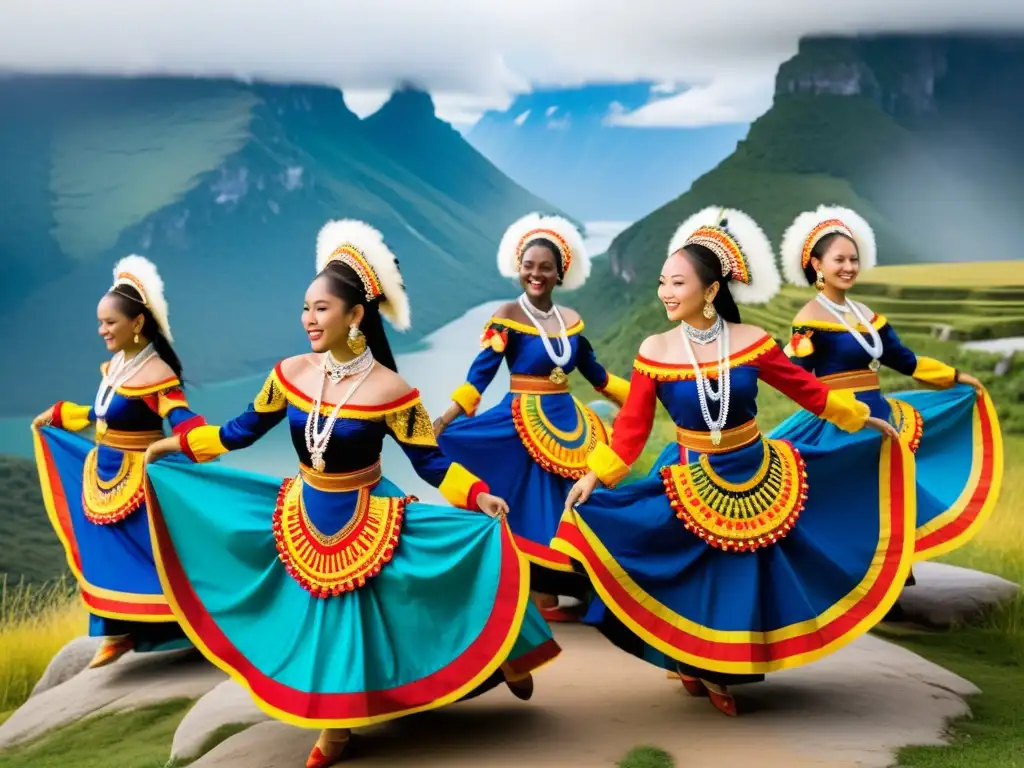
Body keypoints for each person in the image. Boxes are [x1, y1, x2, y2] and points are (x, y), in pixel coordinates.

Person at [143, 220, 561, 768]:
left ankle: (507, 650)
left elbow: (430, 462)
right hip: (305, 508)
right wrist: (175, 446)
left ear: (355, 314)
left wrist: (477, 495)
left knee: (431, 585)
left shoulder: (393, 391)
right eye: (305, 308)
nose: (309, 319)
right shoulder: (289, 373)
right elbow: (237, 432)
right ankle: (336, 726)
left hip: (369, 510)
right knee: (326, 617)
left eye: (321, 308)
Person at [554, 206, 914, 717]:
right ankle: (691, 661)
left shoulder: (751, 344)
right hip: (688, 469)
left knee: (740, 577)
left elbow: (807, 389)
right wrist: (596, 474)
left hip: (754, 466)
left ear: (712, 290)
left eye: (677, 283)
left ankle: (722, 668)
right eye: (662, 283)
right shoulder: (654, 349)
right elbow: (631, 429)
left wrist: (861, 420)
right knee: (692, 574)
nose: (665, 293)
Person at [767, 205, 1003, 570]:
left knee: (888, 493)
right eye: (839, 259)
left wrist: (955, 377)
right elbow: (796, 378)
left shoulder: (868, 316)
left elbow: (904, 360)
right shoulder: (809, 320)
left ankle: (893, 573)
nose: (848, 267)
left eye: (854, 259)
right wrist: (831, 405)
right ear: (817, 265)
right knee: (847, 498)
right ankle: (842, 572)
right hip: (839, 421)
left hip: (880, 413)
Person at [433, 212, 629, 623]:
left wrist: (641, 395)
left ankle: (581, 580)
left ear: (560, 273)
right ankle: (541, 589)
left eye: (545, 268)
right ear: (518, 269)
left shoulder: (572, 322)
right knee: (530, 505)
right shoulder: (507, 316)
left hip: (569, 421)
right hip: (520, 420)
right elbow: (481, 371)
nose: (535, 274)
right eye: (528, 266)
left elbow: (594, 373)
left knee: (573, 501)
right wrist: (448, 416)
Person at [30, 255, 199, 669]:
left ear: (137, 324)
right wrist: (60, 416)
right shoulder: (118, 366)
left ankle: (178, 630)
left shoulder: (157, 374)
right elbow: (103, 411)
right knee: (104, 552)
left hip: (139, 479)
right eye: (100, 322)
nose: (102, 330)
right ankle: (116, 632)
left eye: (110, 322)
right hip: (102, 471)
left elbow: (180, 417)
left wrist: (199, 439)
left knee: (153, 557)